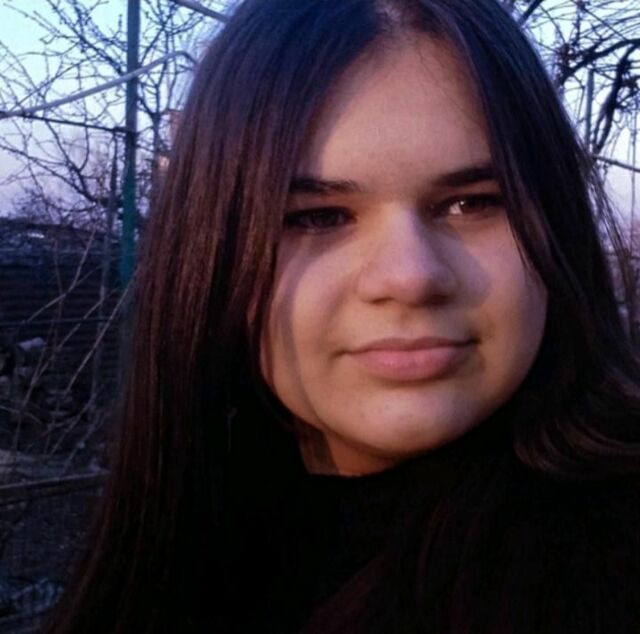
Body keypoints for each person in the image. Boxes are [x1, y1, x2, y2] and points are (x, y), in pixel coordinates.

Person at [44, 0, 640, 632]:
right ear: (210, 253)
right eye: (317, 216)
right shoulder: (165, 550)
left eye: (472, 203)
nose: (409, 278)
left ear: (556, 223)